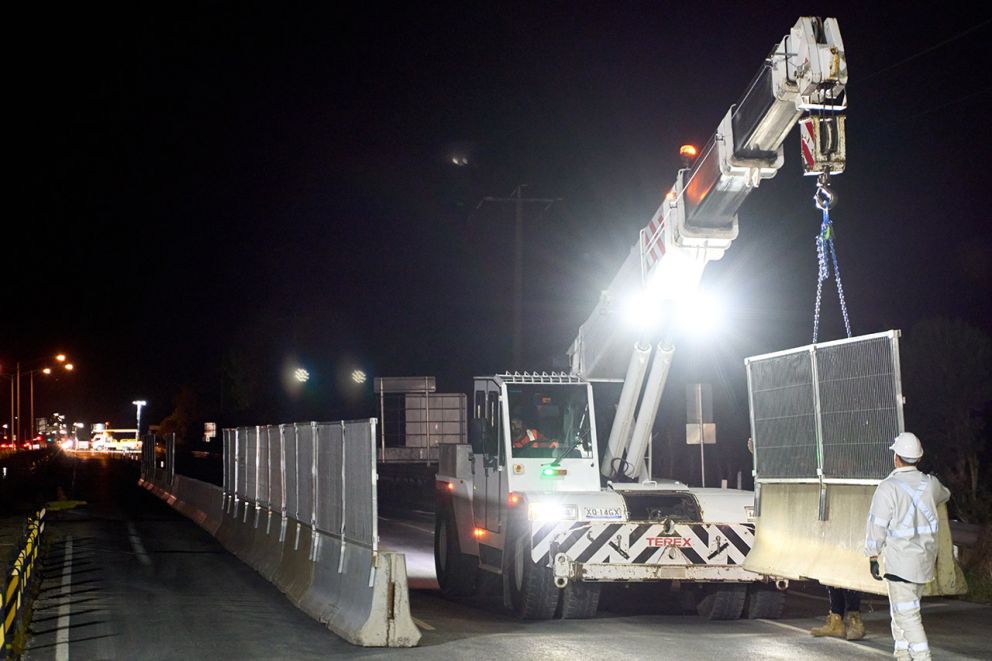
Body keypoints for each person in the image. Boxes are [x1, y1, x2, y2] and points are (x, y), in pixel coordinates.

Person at [865, 432, 950, 661]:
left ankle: (922, 657)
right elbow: (945, 494)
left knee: (907, 615)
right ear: (919, 459)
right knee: (902, 611)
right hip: (923, 562)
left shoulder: (888, 488)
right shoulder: (930, 484)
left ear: (896, 457)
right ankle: (902, 653)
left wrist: (873, 556)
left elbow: (877, 525)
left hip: (900, 563)